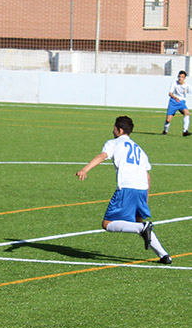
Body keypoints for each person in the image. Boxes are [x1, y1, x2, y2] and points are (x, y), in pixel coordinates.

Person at [76, 115, 172, 264]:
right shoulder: (139, 149)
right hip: (141, 189)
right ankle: (164, 256)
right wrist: (145, 199)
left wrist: (85, 169)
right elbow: (147, 176)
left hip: (127, 188)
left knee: (107, 224)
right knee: (138, 221)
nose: (112, 131)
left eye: (114, 128)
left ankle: (142, 229)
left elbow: (102, 156)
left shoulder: (113, 143)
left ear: (119, 130)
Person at [162, 70, 191, 136]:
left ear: (184, 78)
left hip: (181, 102)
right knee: (168, 120)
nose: (180, 78)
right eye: (179, 76)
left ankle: (185, 131)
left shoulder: (187, 86)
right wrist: (175, 98)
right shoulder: (174, 83)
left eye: (182, 77)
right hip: (173, 102)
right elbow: (170, 93)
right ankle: (165, 131)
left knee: (186, 112)